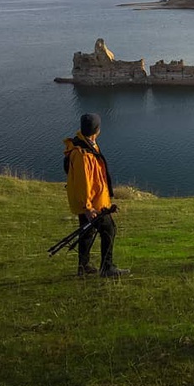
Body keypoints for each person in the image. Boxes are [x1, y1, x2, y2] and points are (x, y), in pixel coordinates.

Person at [63, 113, 129, 278]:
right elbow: (84, 183)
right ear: (97, 130)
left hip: (91, 201)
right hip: (93, 203)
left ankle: (83, 267)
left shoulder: (83, 143)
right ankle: (107, 268)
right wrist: (88, 208)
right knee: (109, 230)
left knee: (87, 232)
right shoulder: (83, 154)